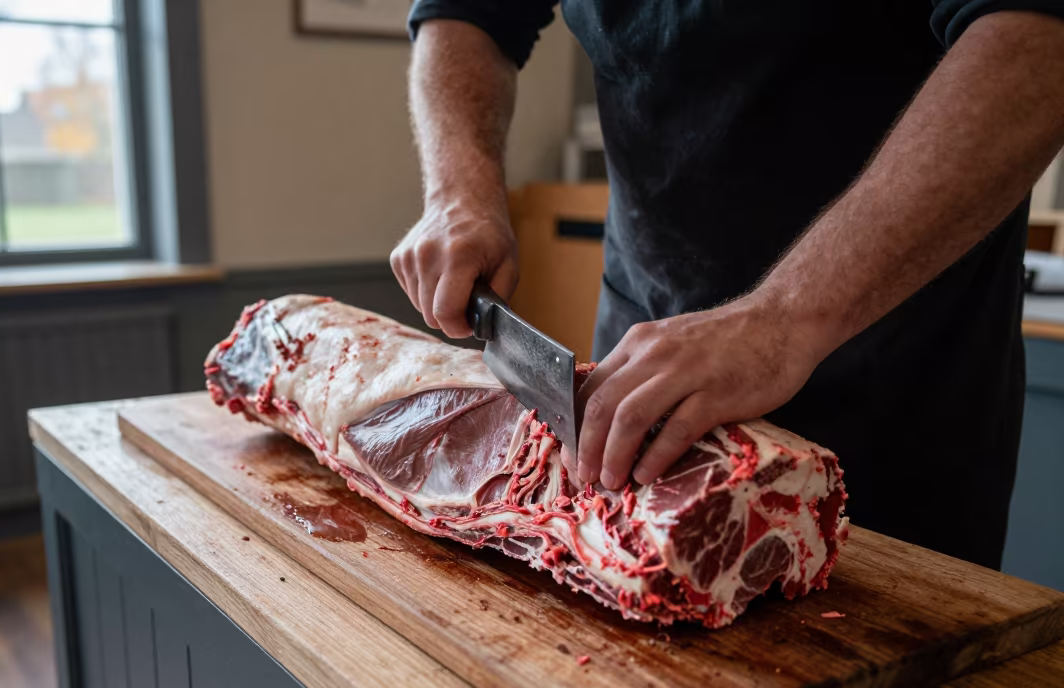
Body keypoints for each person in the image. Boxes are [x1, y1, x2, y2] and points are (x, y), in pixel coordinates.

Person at [389, 1, 1064, 569]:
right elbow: (469, 12)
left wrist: (785, 320)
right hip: (639, 367)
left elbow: (1037, 35)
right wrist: (459, 190)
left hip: (896, 382)